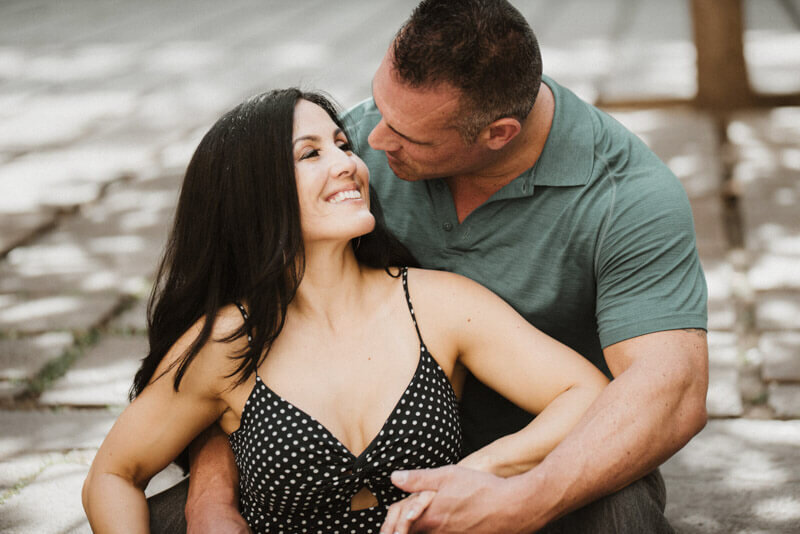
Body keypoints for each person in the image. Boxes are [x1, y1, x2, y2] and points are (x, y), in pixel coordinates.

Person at [179, 1, 710, 533]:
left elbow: (671, 390)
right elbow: (222, 342)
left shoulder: (629, 198)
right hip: (344, 465)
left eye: (410, 137)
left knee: (624, 518)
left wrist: (519, 497)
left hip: (546, 453)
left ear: (497, 134)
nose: (375, 139)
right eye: (380, 106)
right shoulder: (351, 155)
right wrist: (210, 497)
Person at [82, 88, 609, 533]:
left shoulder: (437, 304)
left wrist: (480, 469)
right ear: (254, 194)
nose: (348, 164)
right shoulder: (227, 342)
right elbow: (113, 474)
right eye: (309, 154)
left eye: (341, 144)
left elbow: (587, 392)